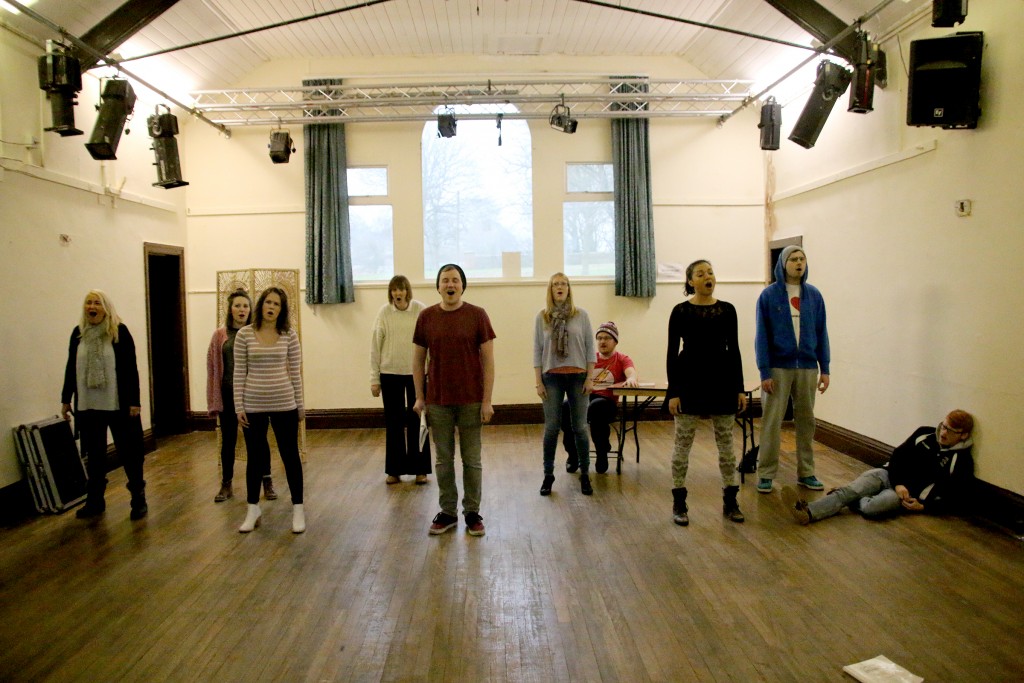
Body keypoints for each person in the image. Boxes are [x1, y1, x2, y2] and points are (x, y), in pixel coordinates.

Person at [413, 264, 495, 536]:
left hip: (471, 400)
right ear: (438, 286)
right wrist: (419, 398)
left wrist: (487, 400)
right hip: (438, 401)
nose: (450, 284)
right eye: (445, 280)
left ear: (463, 285)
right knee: (443, 460)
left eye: (455, 280)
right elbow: (417, 360)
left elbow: (488, 361)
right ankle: (447, 512)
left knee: (471, 460)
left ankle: (472, 512)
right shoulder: (426, 317)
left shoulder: (478, 315)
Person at [782, 410, 975, 524]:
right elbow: (898, 455)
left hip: (904, 496)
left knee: (872, 508)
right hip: (887, 474)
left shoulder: (962, 462)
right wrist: (898, 482)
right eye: (944, 426)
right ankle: (809, 512)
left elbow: (954, 497)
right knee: (852, 490)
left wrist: (924, 506)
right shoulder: (925, 434)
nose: (943, 432)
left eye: (951, 430)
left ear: (963, 435)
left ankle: (848, 497)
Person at [665, 260, 747, 526]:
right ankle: (679, 500)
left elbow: (734, 350)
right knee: (682, 444)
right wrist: (673, 392)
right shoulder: (680, 311)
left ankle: (730, 499)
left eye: (710, 272)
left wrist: (740, 389)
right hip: (689, 381)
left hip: (721, 382)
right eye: (700, 274)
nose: (707, 276)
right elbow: (671, 353)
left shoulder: (727, 310)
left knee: (726, 445)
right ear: (690, 282)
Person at [61, 290, 147, 520]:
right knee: (95, 455)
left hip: (118, 404)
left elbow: (131, 368)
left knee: (130, 453)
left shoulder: (119, 332)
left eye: (97, 303)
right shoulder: (78, 334)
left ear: (106, 308)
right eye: (88, 302)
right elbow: (72, 366)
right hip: (88, 406)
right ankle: (95, 501)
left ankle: (138, 498)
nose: (92, 306)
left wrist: (134, 402)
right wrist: (65, 398)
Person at [754, 245, 830, 494]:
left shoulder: (814, 295)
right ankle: (765, 473)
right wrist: (765, 371)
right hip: (777, 368)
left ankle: (806, 472)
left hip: (807, 367)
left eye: (802, 259)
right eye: (794, 259)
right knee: (772, 422)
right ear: (783, 264)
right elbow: (761, 336)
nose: (799, 263)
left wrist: (825, 368)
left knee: (807, 421)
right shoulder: (768, 296)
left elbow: (822, 332)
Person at [234, 287, 306, 534]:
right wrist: (238, 406)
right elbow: (239, 373)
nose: (271, 307)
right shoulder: (244, 334)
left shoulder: (289, 335)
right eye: (268, 302)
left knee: (290, 455)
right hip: (252, 405)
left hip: (284, 403)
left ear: (282, 309)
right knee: (255, 458)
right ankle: (252, 508)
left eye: (276, 304)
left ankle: (298, 508)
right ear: (261, 305)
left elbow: (295, 372)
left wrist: (300, 405)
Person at [205, 289, 276, 503]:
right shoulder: (220, 335)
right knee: (228, 440)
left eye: (245, 305)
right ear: (230, 309)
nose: (241, 310)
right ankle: (226, 484)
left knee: (258, 440)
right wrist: (213, 399)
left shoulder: (256, 332)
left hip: (251, 395)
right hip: (228, 395)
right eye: (237, 305)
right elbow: (212, 368)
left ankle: (267, 481)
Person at [534, 273, 595, 496]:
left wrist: (590, 377)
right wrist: (538, 381)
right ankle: (548, 475)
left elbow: (590, 348)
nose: (560, 287)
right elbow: (537, 351)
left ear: (569, 289)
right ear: (550, 290)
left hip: (579, 376)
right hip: (552, 377)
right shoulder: (542, 317)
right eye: (555, 284)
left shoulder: (582, 315)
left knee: (579, 427)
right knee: (551, 428)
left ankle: (585, 475)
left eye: (564, 284)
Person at [371, 275, 431, 485]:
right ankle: (394, 470)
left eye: (401, 289)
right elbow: (375, 347)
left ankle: (420, 470)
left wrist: (429, 372)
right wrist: (374, 378)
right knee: (394, 422)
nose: (398, 293)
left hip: (416, 374)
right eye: (394, 290)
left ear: (407, 291)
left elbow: (429, 343)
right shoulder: (384, 313)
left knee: (418, 421)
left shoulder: (420, 310)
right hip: (389, 374)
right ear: (391, 293)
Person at [561, 321, 637, 475]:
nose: (602, 341)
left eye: (607, 338)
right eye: (600, 338)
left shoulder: (622, 359)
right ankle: (573, 454)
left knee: (596, 408)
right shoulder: (590, 358)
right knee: (565, 406)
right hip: (586, 398)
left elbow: (631, 372)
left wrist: (631, 378)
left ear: (615, 341)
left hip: (606, 402)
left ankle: (602, 452)